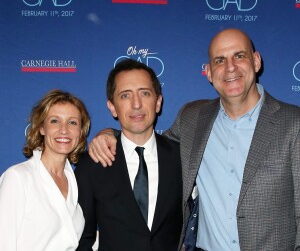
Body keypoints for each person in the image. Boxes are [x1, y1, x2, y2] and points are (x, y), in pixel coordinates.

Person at [88, 28, 300, 251]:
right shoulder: (192, 118)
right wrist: (111, 134)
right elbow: (148, 144)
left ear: (256, 61)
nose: (230, 67)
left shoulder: (293, 124)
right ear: (208, 73)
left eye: (239, 56)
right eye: (220, 60)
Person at [75, 59, 183, 251]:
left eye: (145, 93)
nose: (136, 104)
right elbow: (82, 238)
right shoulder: (91, 164)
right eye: (125, 96)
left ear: (158, 102)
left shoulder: (182, 157)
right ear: (112, 107)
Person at [0, 89, 91, 251]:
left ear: (80, 132)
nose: (64, 129)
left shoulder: (74, 181)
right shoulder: (18, 178)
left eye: (72, 122)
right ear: (42, 128)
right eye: (55, 121)